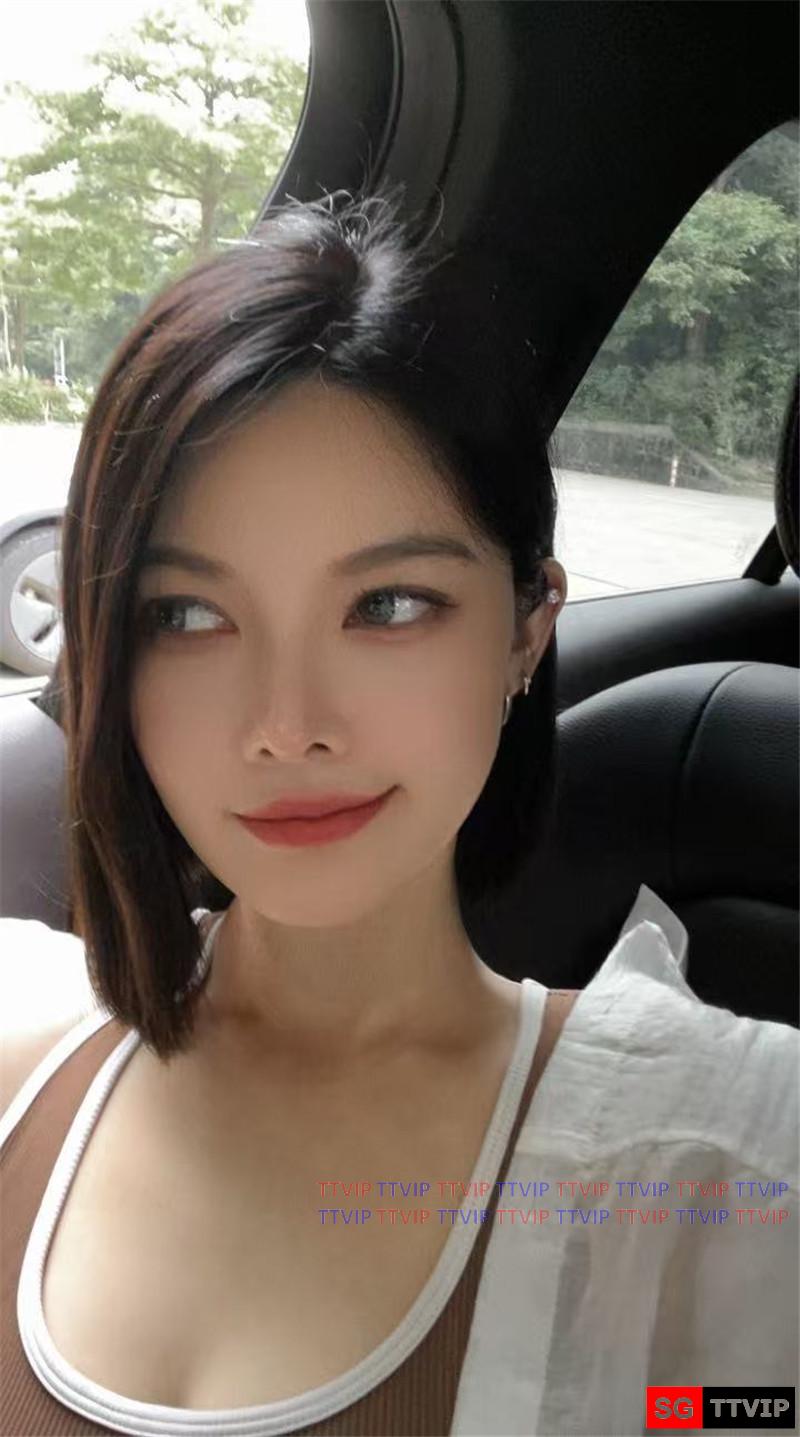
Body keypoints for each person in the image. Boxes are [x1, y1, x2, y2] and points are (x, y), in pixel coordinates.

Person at [0, 184, 797, 1437]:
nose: (286, 723)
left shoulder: (728, 1168)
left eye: (386, 606)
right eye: (188, 616)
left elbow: (722, 1410)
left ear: (525, 629)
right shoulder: (19, 1042)